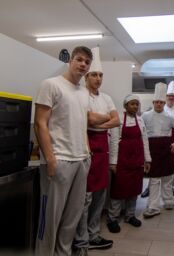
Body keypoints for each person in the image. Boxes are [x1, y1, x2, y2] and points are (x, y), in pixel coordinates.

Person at [34, 46, 93, 256]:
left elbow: (82, 123)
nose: (83, 64)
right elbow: (40, 123)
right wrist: (50, 159)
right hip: (59, 160)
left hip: (81, 161)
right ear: (70, 61)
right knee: (49, 219)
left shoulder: (84, 92)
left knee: (71, 220)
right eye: (79, 59)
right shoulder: (51, 85)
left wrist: (87, 153)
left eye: (87, 62)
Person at [72, 47, 119, 255]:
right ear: (86, 77)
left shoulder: (107, 98)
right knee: (85, 198)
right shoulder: (80, 94)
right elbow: (89, 119)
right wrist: (101, 119)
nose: (98, 78)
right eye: (94, 75)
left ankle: (93, 234)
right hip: (87, 147)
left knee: (100, 195)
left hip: (103, 150)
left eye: (100, 75)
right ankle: (81, 238)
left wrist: (96, 123)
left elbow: (116, 121)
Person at [107, 94, 151, 233]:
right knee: (118, 191)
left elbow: (145, 140)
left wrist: (147, 159)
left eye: (137, 104)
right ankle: (112, 218)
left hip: (137, 161)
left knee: (134, 190)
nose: (135, 106)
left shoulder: (140, 120)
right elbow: (114, 141)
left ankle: (130, 215)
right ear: (126, 106)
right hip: (122, 161)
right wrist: (113, 163)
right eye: (132, 104)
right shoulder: (118, 119)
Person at [142, 82, 174, 218]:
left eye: (161, 102)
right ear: (153, 102)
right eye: (156, 102)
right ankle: (153, 206)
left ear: (163, 102)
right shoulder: (145, 116)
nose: (159, 104)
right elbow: (141, 132)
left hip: (166, 149)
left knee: (167, 177)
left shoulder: (169, 116)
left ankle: (169, 201)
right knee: (154, 179)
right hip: (152, 148)